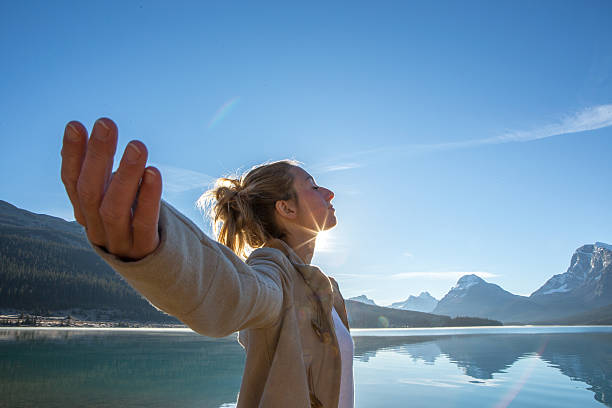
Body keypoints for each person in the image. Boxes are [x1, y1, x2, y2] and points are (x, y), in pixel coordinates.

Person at [60, 117, 354, 408]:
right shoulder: (274, 271)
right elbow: (233, 291)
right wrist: (158, 248)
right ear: (286, 207)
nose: (329, 193)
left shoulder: (326, 289)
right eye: (313, 186)